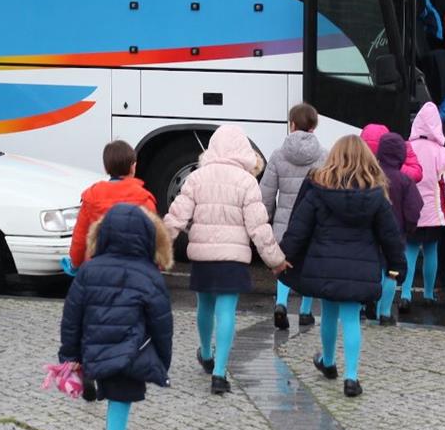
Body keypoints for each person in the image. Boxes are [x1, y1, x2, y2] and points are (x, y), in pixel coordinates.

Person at [164, 124, 290, 395]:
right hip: (233, 259)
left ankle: (206, 354)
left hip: (203, 256)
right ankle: (220, 373)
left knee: (204, 307)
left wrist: (157, 250)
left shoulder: (197, 177)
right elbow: (259, 228)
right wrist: (275, 261)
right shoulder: (247, 182)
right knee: (226, 312)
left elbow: (176, 217)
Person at [280, 135, 406, 398]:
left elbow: (298, 230)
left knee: (327, 313)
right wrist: (397, 267)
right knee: (351, 319)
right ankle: (351, 377)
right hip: (360, 269)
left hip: (324, 265)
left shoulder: (318, 190)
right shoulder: (376, 195)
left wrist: (283, 258)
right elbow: (391, 236)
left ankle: (328, 362)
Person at [58, 204, 174, 430]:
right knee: (119, 408)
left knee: (115, 407)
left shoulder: (89, 271)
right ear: (147, 237)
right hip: (132, 354)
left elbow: (72, 318)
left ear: (104, 234)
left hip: (97, 351)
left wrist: (70, 356)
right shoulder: (150, 275)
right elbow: (161, 324)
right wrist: (161, 361)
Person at [260, 103, 327, 330]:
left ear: (292, 125)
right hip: (313, 223)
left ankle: (280, 303)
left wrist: (265, 218)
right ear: (314, 126)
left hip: (285, 223)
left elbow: (266, 193)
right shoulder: (324, 156)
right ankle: (306, 311)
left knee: (283, 263)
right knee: (309, 265)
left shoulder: (278, 156)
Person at [403, 102, 445, 311]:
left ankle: (405, 293)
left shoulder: (406, 148)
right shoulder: (443, 154)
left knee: (410, 252)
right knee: (431, 251)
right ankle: (429, 294)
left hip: (409, 214)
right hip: (434, 216)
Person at [68, 140, 157, 272]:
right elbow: (153, 241)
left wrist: (75, 263)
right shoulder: (144, 199)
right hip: (134, 270)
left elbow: (80, 239)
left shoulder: (91, 197)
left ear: (106, 168)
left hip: (97, 268)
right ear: (133, 166)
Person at [374, 132, 423, 325]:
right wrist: (409, 229)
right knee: (391, 272)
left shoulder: (370, 177)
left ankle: (370, 307)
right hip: (396, 234)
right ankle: (385, 312)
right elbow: (414, 209)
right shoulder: (405, 181)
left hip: (371, 233)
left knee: (375, 270)